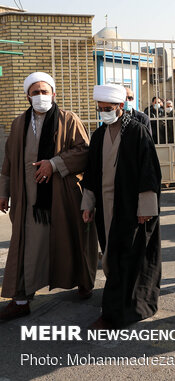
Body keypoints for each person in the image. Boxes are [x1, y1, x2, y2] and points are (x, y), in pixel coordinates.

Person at [0, 72, 98, 321]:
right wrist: (4, 192)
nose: (41, 96)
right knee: (23, 248)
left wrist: (54, 163)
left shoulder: (69, 119)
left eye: (45, 91)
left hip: (61, 199)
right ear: (27, 96)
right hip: (27, 201)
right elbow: (9, 162)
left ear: (54, 94)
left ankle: (83, 282)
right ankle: (20, 299)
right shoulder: (18, 123)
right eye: (35, 92)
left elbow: (84, 151)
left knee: (71, 242)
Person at [81, 83, 162, 329]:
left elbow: (149, 171)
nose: (104, 112)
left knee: (128, 258)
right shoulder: (98, 135)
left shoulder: (137, 132)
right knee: (112, 256)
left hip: (131, 208)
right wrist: (88, 204)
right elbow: (91, 174)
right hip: (106, 209)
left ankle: (116, 313)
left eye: (108, 108)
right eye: (100, 108)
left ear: (120, 106)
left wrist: (145, 209)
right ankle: (122, 307)